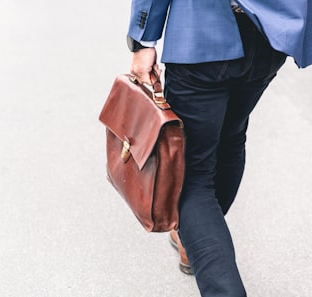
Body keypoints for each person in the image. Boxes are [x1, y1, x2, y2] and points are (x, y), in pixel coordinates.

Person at [126, 1, 297, 296]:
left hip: (201, 34)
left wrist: (143, 40)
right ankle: (195, 238)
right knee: (231, 138)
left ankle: (207, 256)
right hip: (269, 35)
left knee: (191, 173)